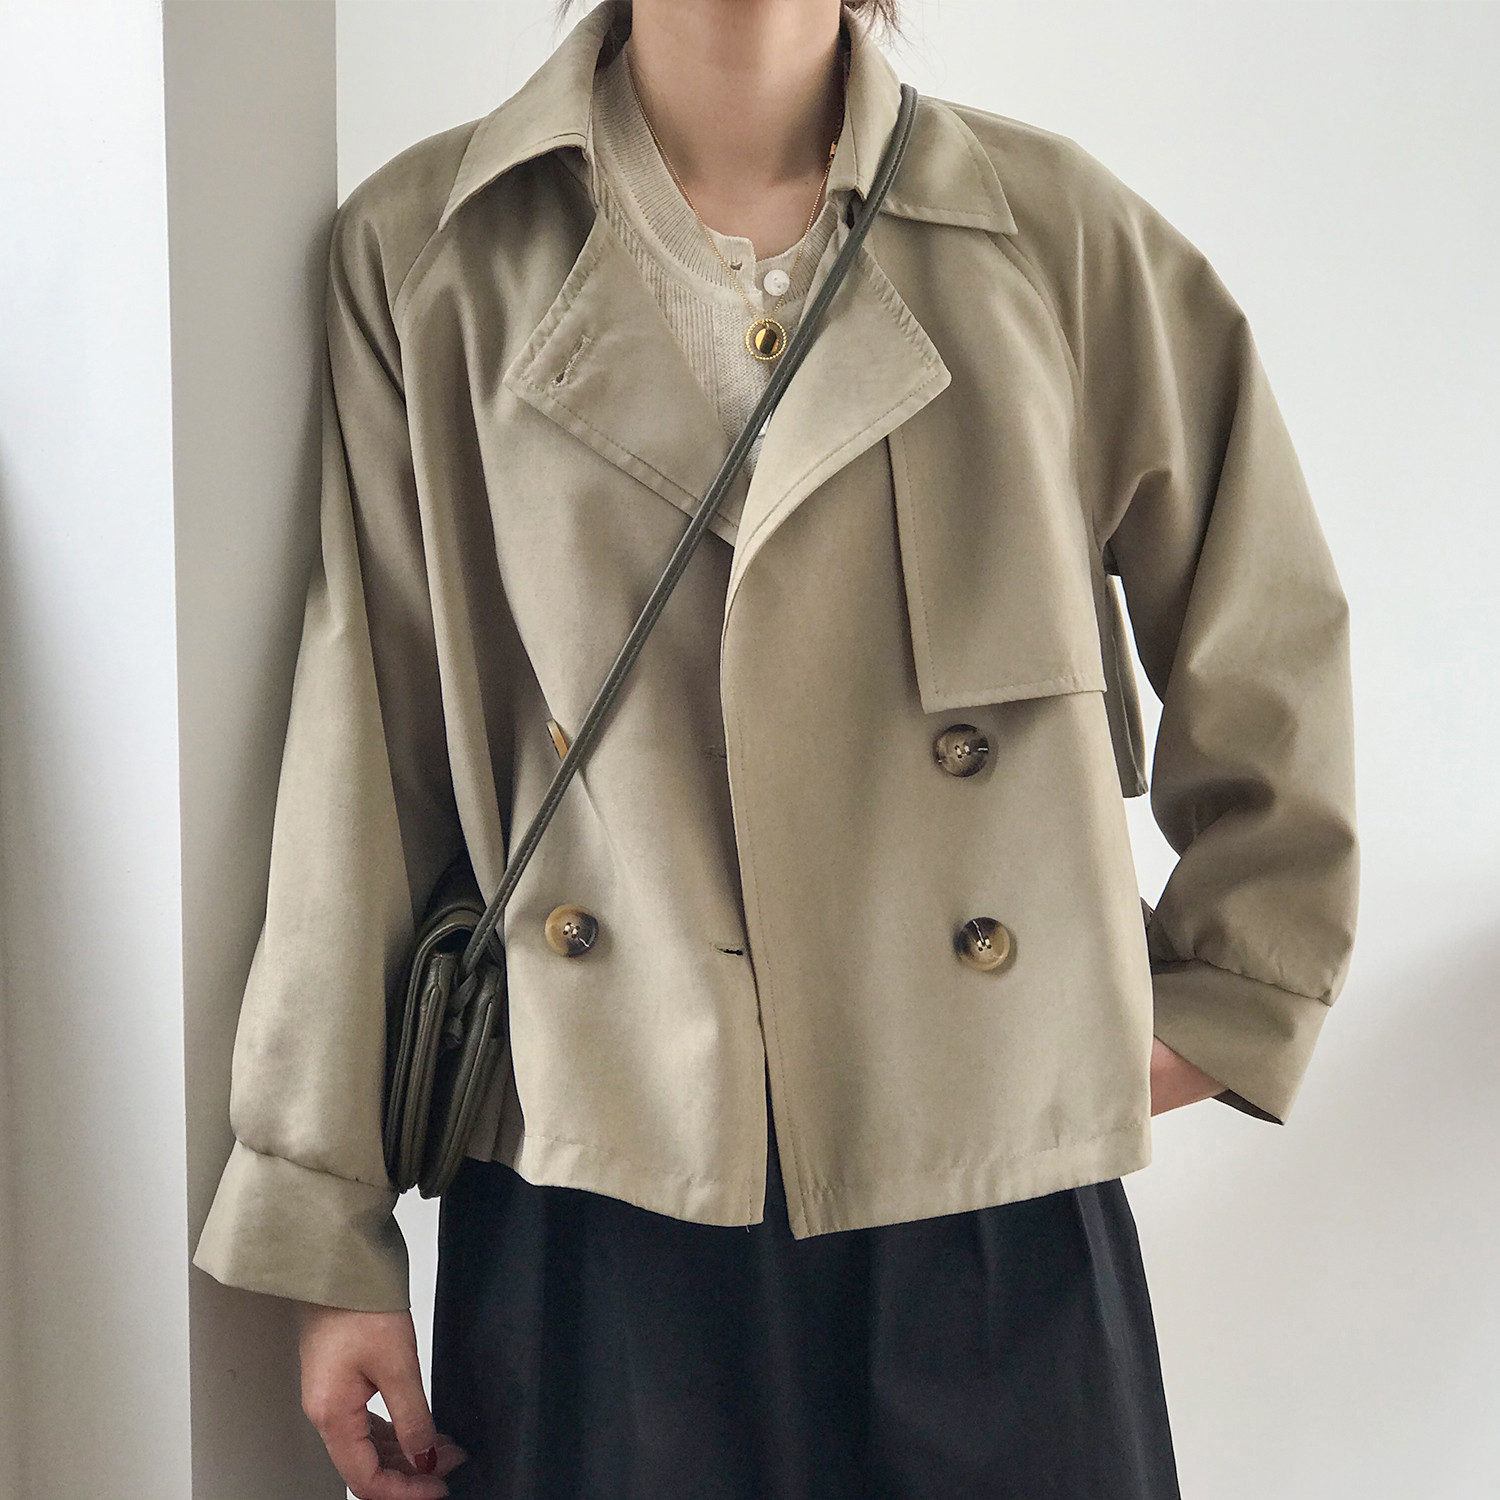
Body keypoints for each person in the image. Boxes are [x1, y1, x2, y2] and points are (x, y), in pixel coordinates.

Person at [192, 1, 1360, 1496]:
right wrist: (324, 1226)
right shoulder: (433, 251)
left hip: (989, 1188)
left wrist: (1231, 995)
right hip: (598, 1180)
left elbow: (1265, 631)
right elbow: (367, 748)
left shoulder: (1053, 235)